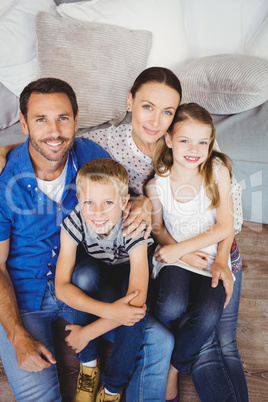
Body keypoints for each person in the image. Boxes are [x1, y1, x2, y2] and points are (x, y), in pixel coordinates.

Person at [0, 68, 247, 401]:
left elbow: (227, 219)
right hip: (128, 265)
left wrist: (216, 256)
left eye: (167, 112)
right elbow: (50, 140)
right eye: (147, 106)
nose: (156, 121)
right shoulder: (97, 146)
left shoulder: (189, 149)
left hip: (203, 254)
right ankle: (103, 365)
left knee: (205, 342)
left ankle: (154, 376)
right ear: (130, 102)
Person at [0, 77, 173, 402]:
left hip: (84, 281)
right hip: (26, 298)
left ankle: (112, 386)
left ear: (76, 120)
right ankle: (88, 366)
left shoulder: (89, 155)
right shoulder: (4, 179)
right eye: (41, 119)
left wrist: (144, 202)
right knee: (37, 394)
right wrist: (15, 334)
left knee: (161, 342)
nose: (54, 131)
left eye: (63, 118)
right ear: (23, 123)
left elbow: (121, 192)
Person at [146, 102, 238, 400]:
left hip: (209, 259)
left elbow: (226, 226)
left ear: (211, 143)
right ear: (169, 140)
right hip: (174, 256)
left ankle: (175, 365)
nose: (194, 149)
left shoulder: (216, 170)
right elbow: (158, 229)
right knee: (170, 305)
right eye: (185, 140)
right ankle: (167, 338)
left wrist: (219, 259)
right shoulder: (157, 183)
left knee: (210, 314)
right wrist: (179, 253)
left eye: (203, 142)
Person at [55, 158, 154, 401]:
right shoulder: (74, 222)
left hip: (131, 272)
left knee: (134, 316)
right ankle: (88, 363)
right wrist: (111, 312)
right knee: (82, 275)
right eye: (89, 202)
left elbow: (135, 300)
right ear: (79, 199)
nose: (98, 212)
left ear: (124, 202)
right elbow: (61, 287)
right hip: (99, 270)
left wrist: (86, 332)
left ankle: (112, 387)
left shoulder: (133, 224)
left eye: (108, 203)